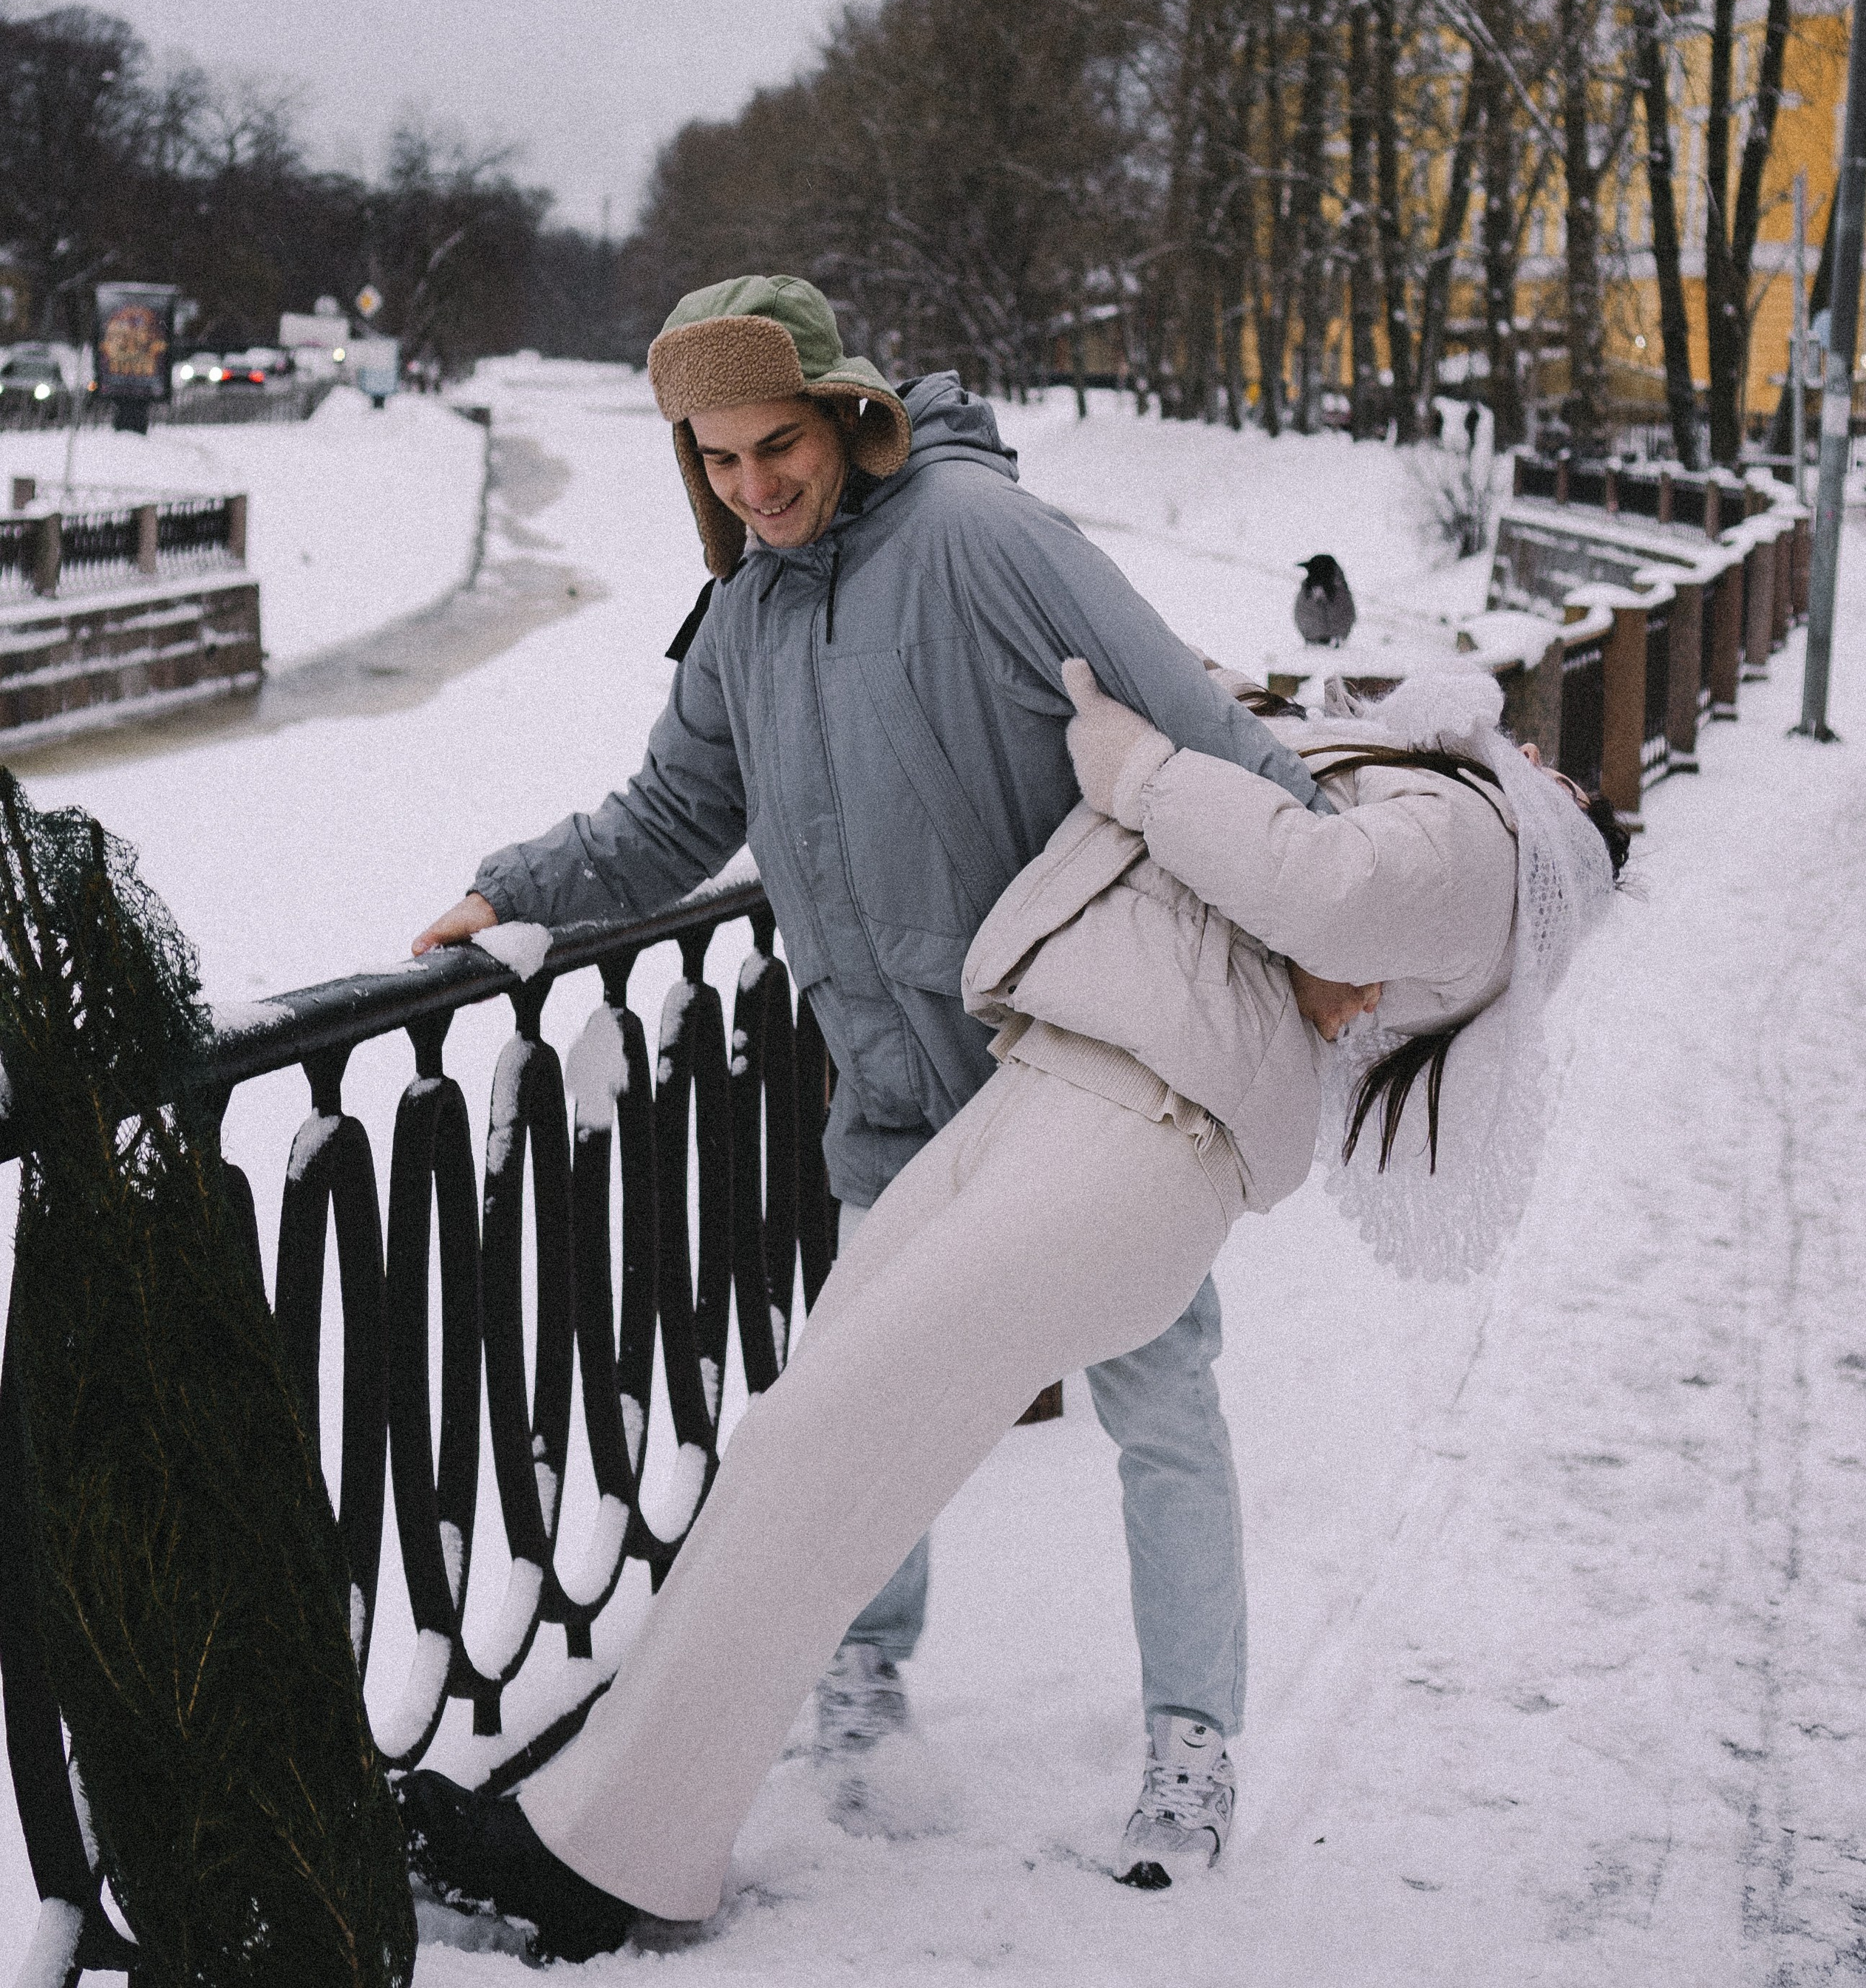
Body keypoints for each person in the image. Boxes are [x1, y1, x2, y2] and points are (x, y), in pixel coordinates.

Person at [400, 657, 1626, 1958]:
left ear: (1563, 839)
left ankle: (598, 1858)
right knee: (801, 1446)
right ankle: (631, 1831)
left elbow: (1312, 883)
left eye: (1567, 785)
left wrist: (1139, 766)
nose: (1539, 761)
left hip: (1136, 1128)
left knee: (821, 1450)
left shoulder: (1484, 840)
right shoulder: (1432, 808)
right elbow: (1290, 865)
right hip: (1066, 1081)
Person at [413, 273, 1332, 1882]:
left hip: (1077, 1085)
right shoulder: (745, 618)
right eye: (716, 460)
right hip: (891, 1098)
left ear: (848, 412)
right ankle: (863, 1677)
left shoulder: (980, 538)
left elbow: (1203, 735)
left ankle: (1191, 1744)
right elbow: (670, 818)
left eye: (776, 446)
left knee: (1159, 1393)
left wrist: (1329, 911)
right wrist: (513, 892)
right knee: (846, 1403)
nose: (753, 488)